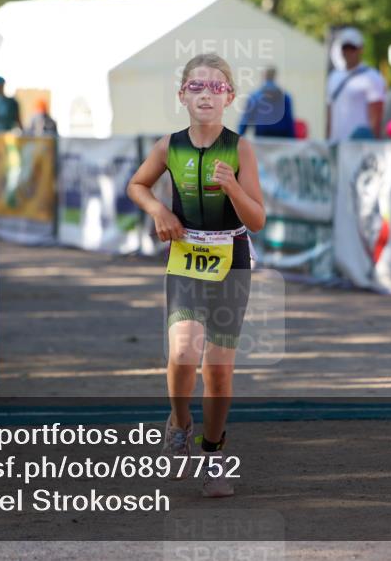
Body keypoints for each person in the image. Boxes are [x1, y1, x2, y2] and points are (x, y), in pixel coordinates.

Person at [127, 53, 265, 498]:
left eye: (216, 87)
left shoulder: (240, 147)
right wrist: (159, 210)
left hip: (231, 259)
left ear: (230, 97)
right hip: (186, 257)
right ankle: (181, 423)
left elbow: (258, 218)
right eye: (197, 87)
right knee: (183, 353)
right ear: (182, 95)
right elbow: (137, 184)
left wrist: (233, 188)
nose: (206, 94)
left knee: (219, 371)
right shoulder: (169, 146)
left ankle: (214, 453)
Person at [325, 27, 387, 142]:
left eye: (352, 48)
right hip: (336, 145)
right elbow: (329, 113)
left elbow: (376, 117)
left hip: (360, 146)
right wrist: (328, 139)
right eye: (345, 47)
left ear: (360, 49)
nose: (348, 52)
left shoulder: (372, 77)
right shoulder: (333, 77)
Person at [238, 67, 296, 138]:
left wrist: (239, 138)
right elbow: (289, 122)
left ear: (263, 76)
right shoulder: (286, 97)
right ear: (274, 76)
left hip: (262, 139)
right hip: (281, 140)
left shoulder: (254, 96)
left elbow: (245, 120)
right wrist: (292, 141)